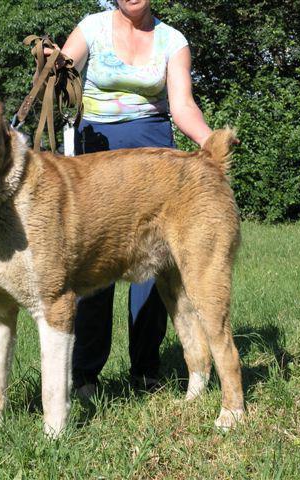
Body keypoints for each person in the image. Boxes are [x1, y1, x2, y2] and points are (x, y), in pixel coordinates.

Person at [56, 0, 213, 397]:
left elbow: (181, 105)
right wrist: (52, 62)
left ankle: (146, 371)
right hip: (97, 154)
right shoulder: (92, 28)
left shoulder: (173, 40)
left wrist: (210, 142)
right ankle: (86, 376)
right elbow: (64, 66)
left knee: (156, 270)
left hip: (152, 157)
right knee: (92, 269)